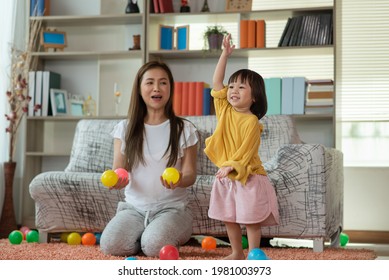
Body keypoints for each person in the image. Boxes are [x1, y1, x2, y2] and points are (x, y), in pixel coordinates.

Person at [100, 61, 198, 257]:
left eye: (163, 83)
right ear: (139, 88)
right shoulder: (125, 128)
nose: (156, 88)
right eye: (150, 82)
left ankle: (155, 237)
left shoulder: (184, 129)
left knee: (155, 246)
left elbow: (190, 174)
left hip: (173, 210)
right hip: (134, 209)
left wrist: (179, 178)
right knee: (111, 245)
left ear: (170, 88)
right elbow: (119, 169)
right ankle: (146, 236)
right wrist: (118, 181)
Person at [204, 34, 279, 260]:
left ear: (255, 96)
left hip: (249, 176)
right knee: (229, 216)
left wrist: (231, 166)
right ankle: (236, 252)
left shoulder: (252, 122)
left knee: (250, 218)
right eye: (232, 86)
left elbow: (246, 151)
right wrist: (224, 55)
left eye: (241, 87)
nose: (233, 90)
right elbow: (217, 83)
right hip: (226, 175)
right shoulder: (225, 110)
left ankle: (253, 253)